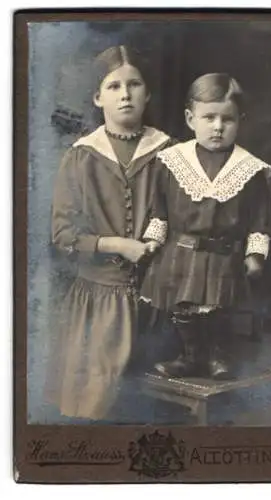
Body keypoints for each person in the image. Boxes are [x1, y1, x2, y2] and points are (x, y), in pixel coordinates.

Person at [46, 45, 173, 420]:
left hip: (158, 304)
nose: (125, 94)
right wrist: (117, 244)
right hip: (98, 307)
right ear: (98, 97)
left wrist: (156, 240)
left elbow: (183, 215)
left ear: (147, 93)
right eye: (114, 86)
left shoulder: (170, 153)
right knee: (98, 413)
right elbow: (62, 235)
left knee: (153, 417)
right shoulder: (80, 156)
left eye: (134, 84)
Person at [141, 73, 271, 380]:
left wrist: (255, 255)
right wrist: (152, 241)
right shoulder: (172, 161)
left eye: (227, 119)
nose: (217, 126)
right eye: (208, 117)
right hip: (179, 254)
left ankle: (217, 357)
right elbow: (158, 210)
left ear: (240, 121)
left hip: (222, 256)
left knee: (218, 310)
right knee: (183, 310)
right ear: (190, 118)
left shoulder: (250, 170)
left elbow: (259, 219)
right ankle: (189, 357)